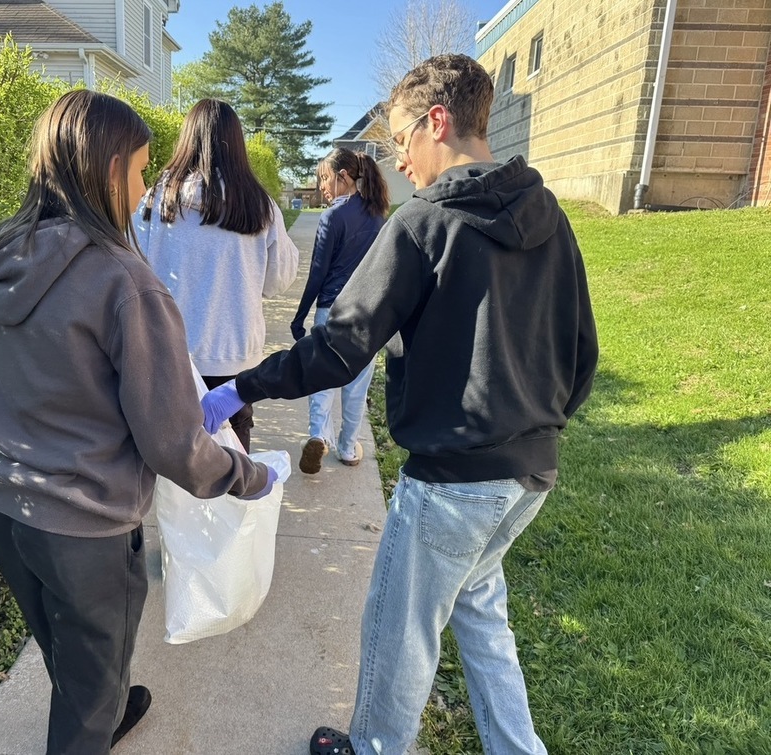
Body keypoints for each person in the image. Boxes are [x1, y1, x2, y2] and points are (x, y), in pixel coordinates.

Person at [202, 53, 598, 755]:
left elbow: (340, 345)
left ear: (436, 122)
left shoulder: (425, 222)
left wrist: (241, 385)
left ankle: (372, 747)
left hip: (453, 479)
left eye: (401, 136)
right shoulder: (551, 217)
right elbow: (582, 351)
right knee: (480, 614)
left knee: (398, 632)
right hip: (530, 473)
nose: (400, 158)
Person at [0, 89, 274, 755]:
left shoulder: (5, 260)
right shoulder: (124, 281)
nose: (141, 190)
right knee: (89, 689)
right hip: (85, 531)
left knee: (65, 643)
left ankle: (101, 702)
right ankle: (94, 717)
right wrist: (245, 474)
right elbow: (174, 442)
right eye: (138, 171)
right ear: (107, 172)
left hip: (5, 510)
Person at [134, 98, 298, 452]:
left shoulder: (157, 200)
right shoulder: (259, 205)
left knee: (167, 467)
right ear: (237, 144)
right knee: (232, 465)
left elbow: (132, 269)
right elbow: (279, 279)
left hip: (168, 357)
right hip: (234, 362)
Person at [290, 148, 389, 474]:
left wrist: (300, 314)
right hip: (367, 314)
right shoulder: (379, 217)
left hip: (332, 310)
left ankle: (318, 436)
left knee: (322, 380)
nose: (322, 187)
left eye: (325, 178)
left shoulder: (332, 217)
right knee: (356, 385)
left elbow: (318, 273)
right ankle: (347, 448)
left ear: (344, 176)